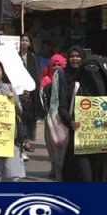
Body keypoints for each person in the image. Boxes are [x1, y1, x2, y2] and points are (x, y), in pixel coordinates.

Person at [62, 56, 107, 182]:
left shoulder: (106, 92)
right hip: (79, 146)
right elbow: (62, 108)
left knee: (99, 177)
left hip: (99, 146)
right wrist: (70, 121)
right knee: (84, 177)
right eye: (88, 69)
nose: (91, 73)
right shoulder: (75, 88)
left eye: (95, 69)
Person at [41, 53, 68, 181]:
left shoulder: (66, 79)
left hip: (63, 117)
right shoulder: (46, 80)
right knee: (52, 145)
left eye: (59, 64)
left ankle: (61, 170)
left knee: (63, 145)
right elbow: (42, 98)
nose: (57, 67)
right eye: (54, 65)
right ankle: (55, 168)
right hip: (50, 117)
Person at [19, 34, 42, 159]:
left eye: (26, 40)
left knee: (29, 117)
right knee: (20, 116)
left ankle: (26, 139)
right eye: (22, 40)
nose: (23, 42)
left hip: (30, 91)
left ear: (30, 43)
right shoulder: (15, 57)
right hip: (19, 90)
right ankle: (21, 141)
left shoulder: (32, 57)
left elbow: (35, 74)